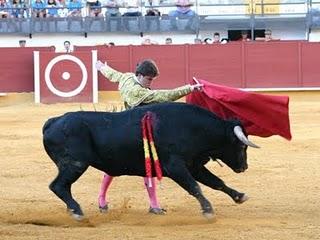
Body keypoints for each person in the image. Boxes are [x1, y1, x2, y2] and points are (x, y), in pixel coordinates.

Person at [95, 59, 203, 214]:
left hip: (121, 125)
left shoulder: (126, 77)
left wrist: (101, 67)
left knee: (113, 164)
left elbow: (113, 74)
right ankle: (152, 204)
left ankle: (102, 198)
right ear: (139, 75)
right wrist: (189, 89)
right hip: (137, 130)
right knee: (148, 161)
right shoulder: (138, 92)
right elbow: (163, 96)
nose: (150, 82)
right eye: (149, 79)